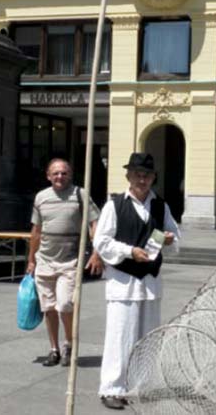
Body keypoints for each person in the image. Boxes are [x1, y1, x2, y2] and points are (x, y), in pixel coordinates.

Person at [94, 153, 179, 410]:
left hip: (150, 281)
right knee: (120, 337)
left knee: (147, 338)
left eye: (147, 176)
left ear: (153, 178)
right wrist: (130, 251)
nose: (142, 180)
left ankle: (140, 386)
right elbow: (101, 242)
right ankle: (112, 388)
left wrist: (169, 240)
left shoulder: (161, 206)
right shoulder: (114, 205)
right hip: (123, 281)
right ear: (128, 176)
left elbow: (174, 238)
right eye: (138, 175)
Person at [26, 158, 103, 368]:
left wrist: (96, 252)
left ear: (70, 174)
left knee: (66, 304)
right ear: (48, 176)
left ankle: (69, 344)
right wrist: (31, 259)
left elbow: (94, 223)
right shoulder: (41, 197)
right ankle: (54, 349)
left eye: (64, 173)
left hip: (70, 261)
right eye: (56, 173)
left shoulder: (80, 194)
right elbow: (36, 231)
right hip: (45, 260)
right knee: (48, 307)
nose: (60, 176)